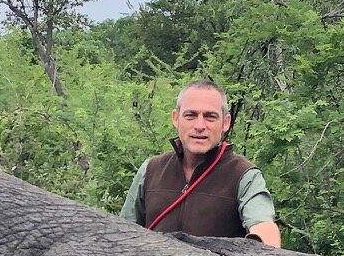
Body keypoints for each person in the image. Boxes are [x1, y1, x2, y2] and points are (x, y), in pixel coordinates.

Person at [118, 80, 281, 246]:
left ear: (225, 122)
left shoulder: (244, 175)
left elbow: (264, 226)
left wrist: (267, 251)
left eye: (210, 117)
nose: (200, 126)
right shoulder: (151, 169)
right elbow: (122, 233)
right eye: (191, 116)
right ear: (176, 118)